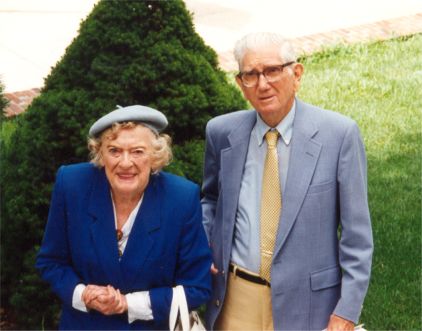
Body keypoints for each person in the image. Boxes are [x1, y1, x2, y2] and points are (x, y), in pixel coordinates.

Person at [201, 32, 373, 331]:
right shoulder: (221, 132)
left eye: (272, 70)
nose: (263, 83)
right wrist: (204, 244)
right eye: (251, 75)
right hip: (236, 300)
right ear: (241, 84)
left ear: (297, 73)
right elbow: (211, 199)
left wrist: (346, 311)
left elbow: (357, 236)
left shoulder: (338, 135)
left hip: (309, 305)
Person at [36, 105, 212, 330]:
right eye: (114, 151)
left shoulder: (181, 198)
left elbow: (198, 287)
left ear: (155, 155)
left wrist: (127, 304)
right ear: (101, 154)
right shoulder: (72, 184)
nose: (125, 163)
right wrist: (83, 294)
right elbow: (51, 262)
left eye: (138, 151)